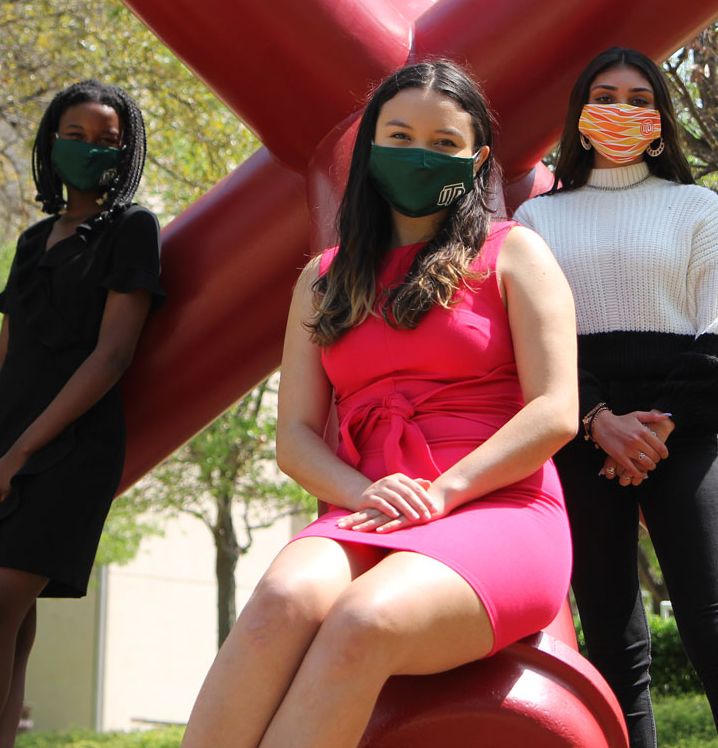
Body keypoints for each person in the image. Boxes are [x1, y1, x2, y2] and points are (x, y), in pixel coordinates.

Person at [181, 61, 577, 748]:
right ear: (369, 149)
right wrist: (366, 493)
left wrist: (446, 491)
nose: (420, 154)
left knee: (364, 621)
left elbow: (555, 410)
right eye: (400, 135)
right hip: (370, 507)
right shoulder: (321, 279)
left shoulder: (517, 255)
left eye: (444, 143)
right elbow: (296, 437)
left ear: (478, 161)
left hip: (498, 505)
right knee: (280, 604)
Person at [0, 79, 164, 748]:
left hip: (70, 450)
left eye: (106, 140)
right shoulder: (34, 241)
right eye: (75, 136)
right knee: (10, 628)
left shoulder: (133, 228)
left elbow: (113, 357)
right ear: (50, 143)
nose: (89, 149)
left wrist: (20, 455)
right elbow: (3, 361)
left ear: (125, 153)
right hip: (0, 448)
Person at [513, 46, 718, 747]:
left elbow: (717, 331)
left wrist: (656, 428)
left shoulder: (700, 207)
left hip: (686, 433)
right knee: (611, 640)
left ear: (660, 120)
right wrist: (599, 421)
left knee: (712, 620)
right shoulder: (537, 220)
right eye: (606, 96)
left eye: (638, 99)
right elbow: (537, 343)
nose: (622, 111)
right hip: (580, 435)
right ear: (578, 117)